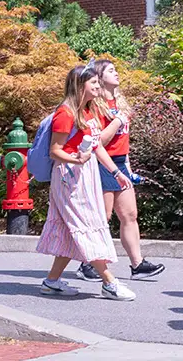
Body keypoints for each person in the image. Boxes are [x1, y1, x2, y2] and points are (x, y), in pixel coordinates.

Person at [36, 64, 136, 301]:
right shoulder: (66, 113)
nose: (98, 87)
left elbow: (96, 146)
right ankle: (109, 282)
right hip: (70, 177)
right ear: (81, 86)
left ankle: (51, 281)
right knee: (87, 224)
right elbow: (55, 151)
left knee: (74, 230)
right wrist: (75, 158)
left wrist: (116, 173)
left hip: (85, 173)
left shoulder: (87, 111)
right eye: (94, 84)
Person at [76, 59, 165, 283]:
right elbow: (98, 142)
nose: (116, 73)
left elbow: (124, 141)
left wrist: (128, 166)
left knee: (129, 215)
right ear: (100, 77)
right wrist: (116, 121)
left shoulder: (121, 102)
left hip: (120, 163)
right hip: (101, 162)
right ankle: (88, 263)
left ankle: (137, 264)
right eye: (110, 71)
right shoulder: (95, 105)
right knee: (102, 217)